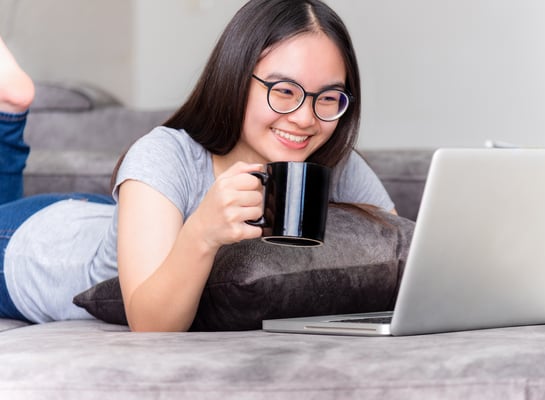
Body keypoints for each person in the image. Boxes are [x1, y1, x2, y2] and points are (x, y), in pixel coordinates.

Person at [0, 0, 396, 332]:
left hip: (103, 216)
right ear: (236, 78)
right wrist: (201, 234)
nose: (305, 117)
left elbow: (398, 253)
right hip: (31, 245)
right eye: (284, 91)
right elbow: (150, 325)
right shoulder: (164, 154)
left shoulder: (335, 165)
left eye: (328, 98)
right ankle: (9, 115)